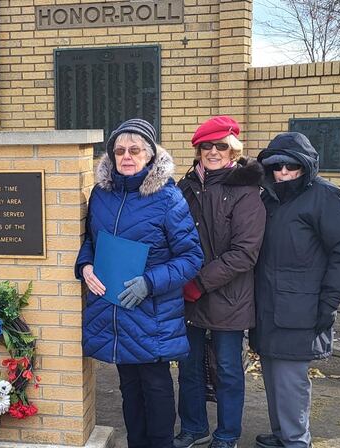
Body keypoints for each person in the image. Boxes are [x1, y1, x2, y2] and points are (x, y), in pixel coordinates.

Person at [75, 119, 203, 448]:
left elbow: (191, 257)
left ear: (149, 155)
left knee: (156, 389)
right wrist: (85, 265)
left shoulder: (168, 198)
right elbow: (90, 240)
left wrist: (149, 282)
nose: (127, 156)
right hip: (115, 311)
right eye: (120, 150)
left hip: (152, 313)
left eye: (135, 150)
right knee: (129, 389)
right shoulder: (100, 196)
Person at [251, 132, 340, 448]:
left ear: (305, 166)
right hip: (268, 306)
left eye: (291, 167)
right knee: (272, 376)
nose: (283, 173)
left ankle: (296, 441)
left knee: (290, 381)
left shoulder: (325, 197)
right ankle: (281, 433)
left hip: (302, 309)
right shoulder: (269, 198)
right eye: (276, 167)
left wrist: (329, 301)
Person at [174, 116, 266, 448]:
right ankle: (193, 427)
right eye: (206, 146)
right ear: (198, 150)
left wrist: (198, 282)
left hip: (229, 296)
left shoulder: (245, 191)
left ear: (233, 150)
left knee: (227, 371)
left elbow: (244, 252)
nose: (213, 151)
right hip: (188, 295)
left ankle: (226, 435)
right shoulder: (184, 188)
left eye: (221, 146)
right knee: (188, 369)